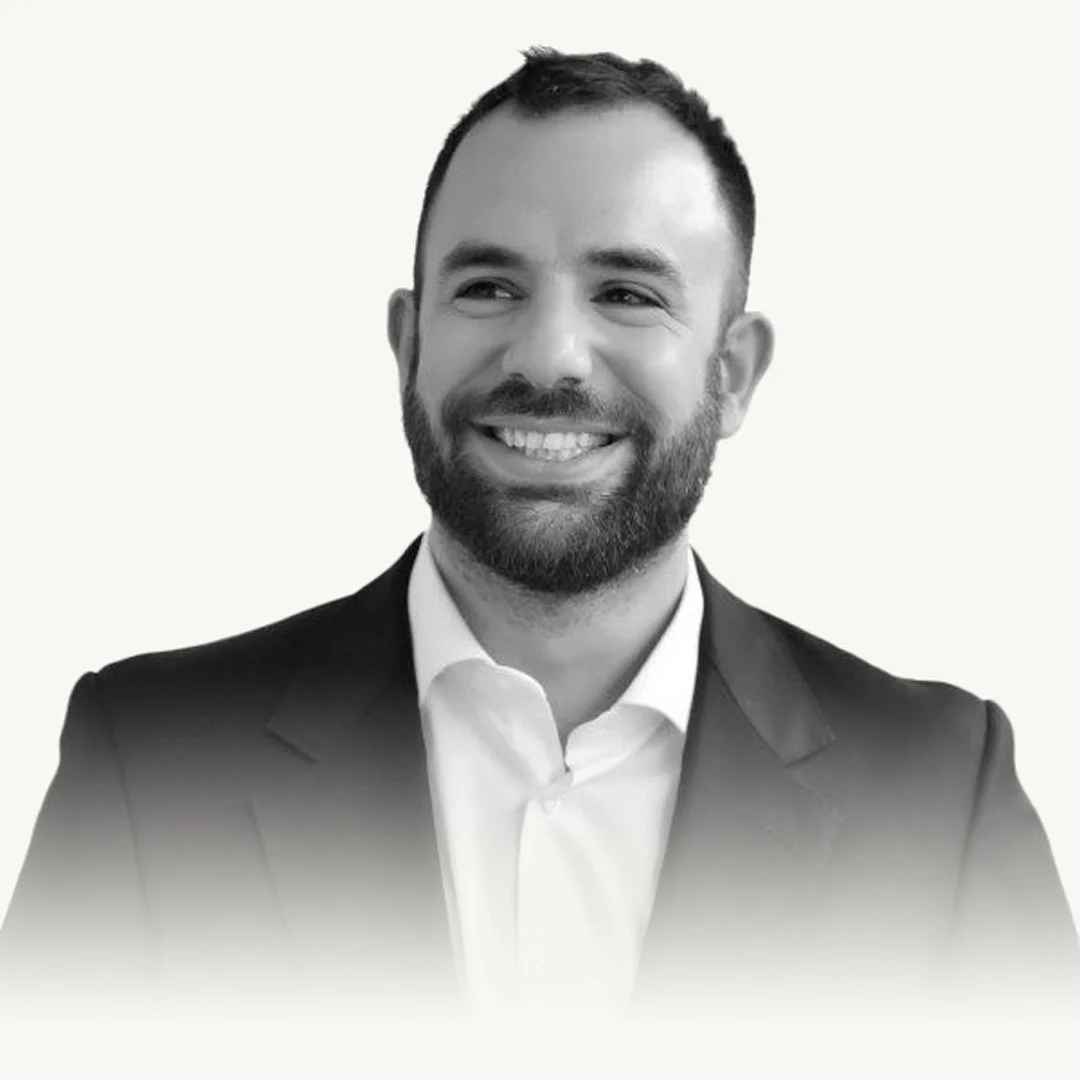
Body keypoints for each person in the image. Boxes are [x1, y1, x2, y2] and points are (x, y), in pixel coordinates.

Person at [1, 47, 1075, 1015]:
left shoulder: (943, 799)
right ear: (407, 344)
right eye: (489, 285)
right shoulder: (149, 765)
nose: (550, 355)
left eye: (625, 291)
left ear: (734, 373)